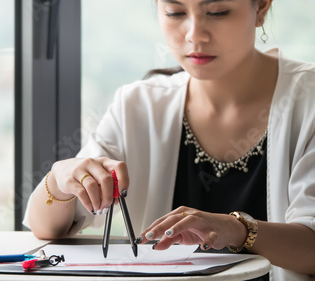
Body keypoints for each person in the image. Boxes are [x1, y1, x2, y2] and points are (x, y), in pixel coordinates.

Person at [23, 0, 315, 280]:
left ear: (261, 7)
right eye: (175, 12)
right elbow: (47, 228)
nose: (194, 34)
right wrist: (60, 179)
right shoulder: (138, 105)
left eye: (217, 12)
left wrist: (236, 229)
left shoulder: (308, 99)